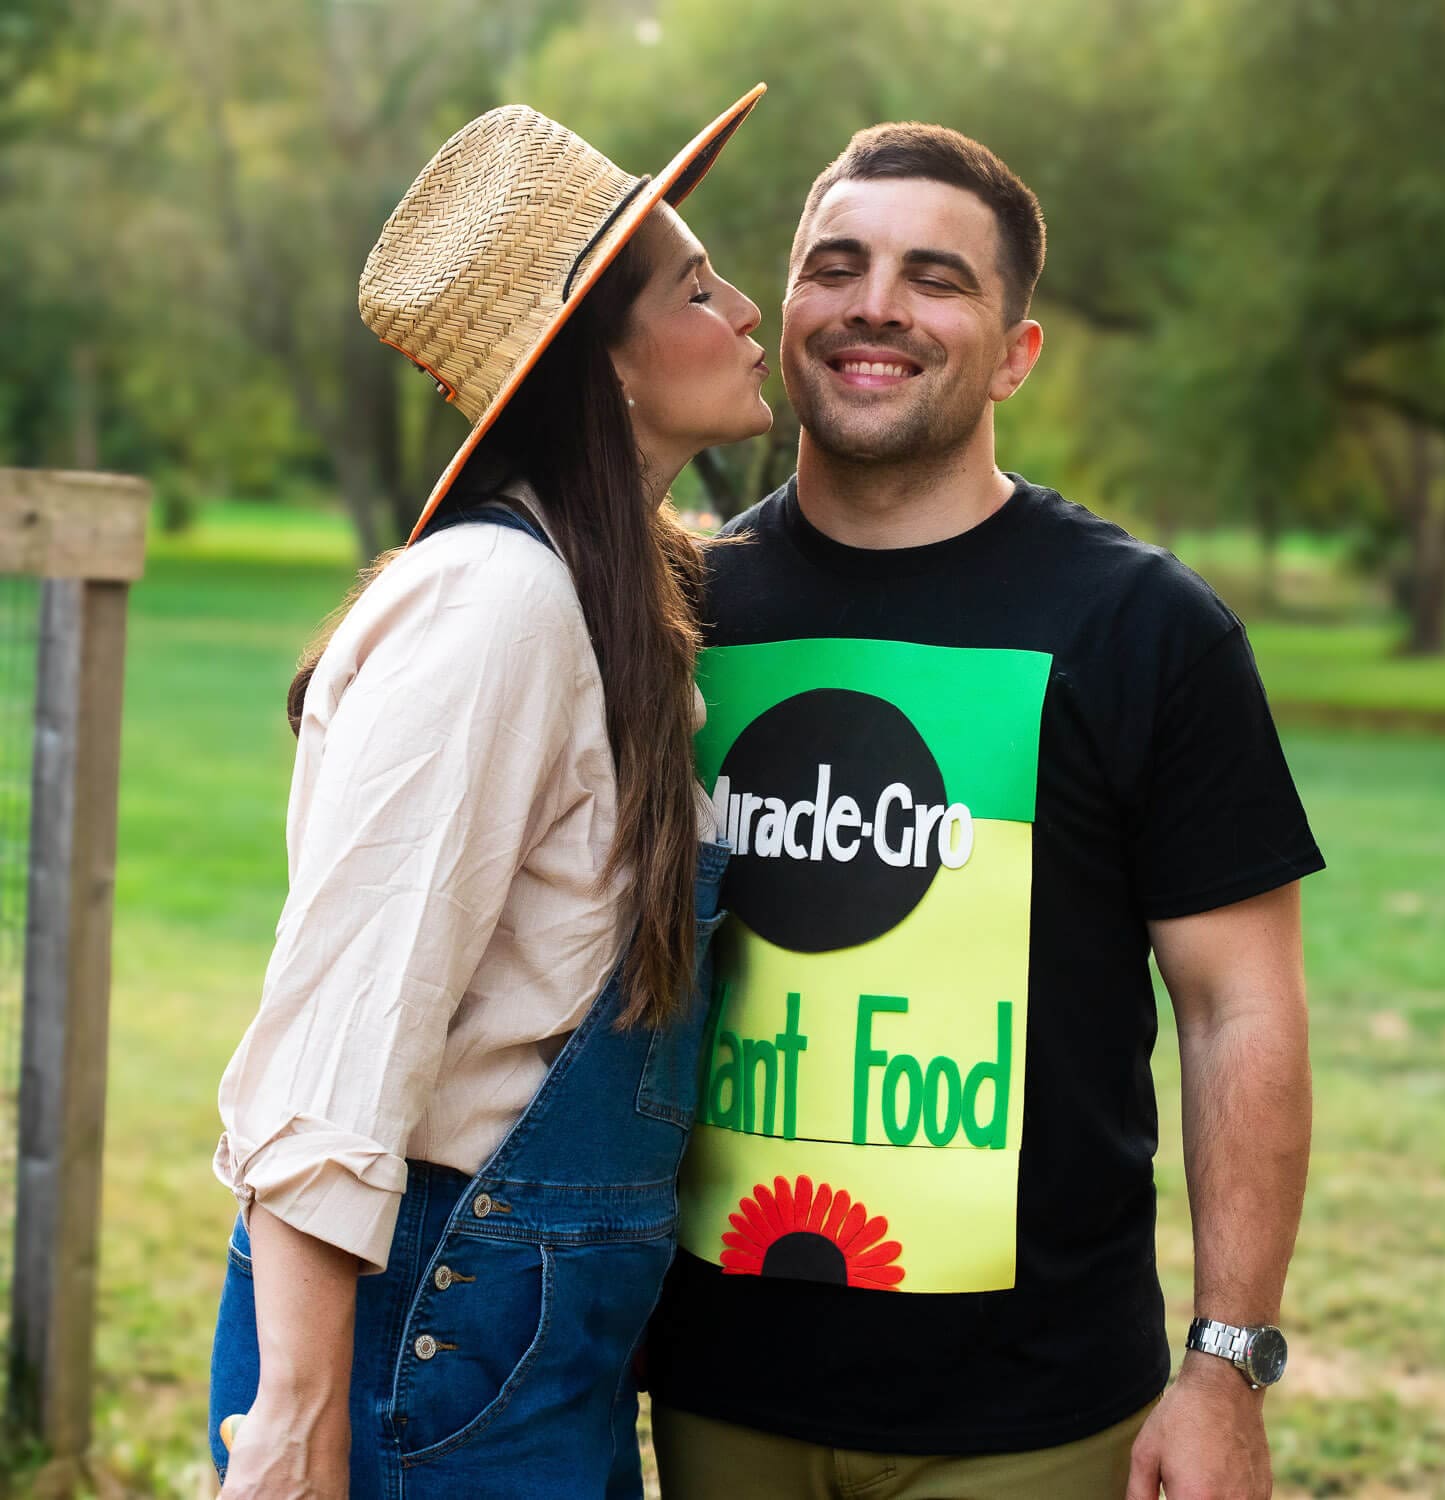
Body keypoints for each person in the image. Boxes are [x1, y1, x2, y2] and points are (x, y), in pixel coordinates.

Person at [645, 122, 1323, 1500]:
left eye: (934, 276)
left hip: (1034, 1416)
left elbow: (1239, 1007)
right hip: (712, 1388)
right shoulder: (681, 612)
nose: (875, 302)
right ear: (787, 322)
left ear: (1015, 352)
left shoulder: (1144, 629)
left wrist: (1226, 1364)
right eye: (836, 266)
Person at [207, 84, 771, 1500]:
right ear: (609, 361)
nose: (749, 308)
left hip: (525, 1339)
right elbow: (344, 1016)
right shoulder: (497, 606)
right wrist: (296, 1417)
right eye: (698, 287)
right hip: (422, 1336)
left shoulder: (608, 595)